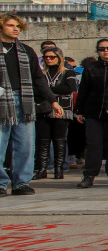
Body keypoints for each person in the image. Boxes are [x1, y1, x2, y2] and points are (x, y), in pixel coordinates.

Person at [1, 14, 59, 195]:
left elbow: (38, 78)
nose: (16, 29)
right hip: (2, 101)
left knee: (25, 145)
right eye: (11, 25)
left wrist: (52, 100)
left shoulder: (26, 50)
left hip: (24, 101)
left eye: (18, 26)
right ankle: (1, 184)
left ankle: (21, 183)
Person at [74, 38, 108, 187]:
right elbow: (83, 90)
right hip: (93, 111)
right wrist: (80, 110)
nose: (106, 51)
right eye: (102, 49)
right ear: (98, 51)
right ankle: (90, 175)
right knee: (93, 144)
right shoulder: (90, 68)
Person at [34, 46, 75, 181]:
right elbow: (36, 89)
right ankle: (43, 168)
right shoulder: (41, 72)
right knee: (43, 140)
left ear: (59, 58)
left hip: (62, 108)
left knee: (59, 140)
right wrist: (49, 91)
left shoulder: (68, 72)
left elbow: (69, 88)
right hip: (43, 109)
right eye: (46, 57)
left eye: (52, 57)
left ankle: (59, 168)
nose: (49, 59)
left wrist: (47, 90)